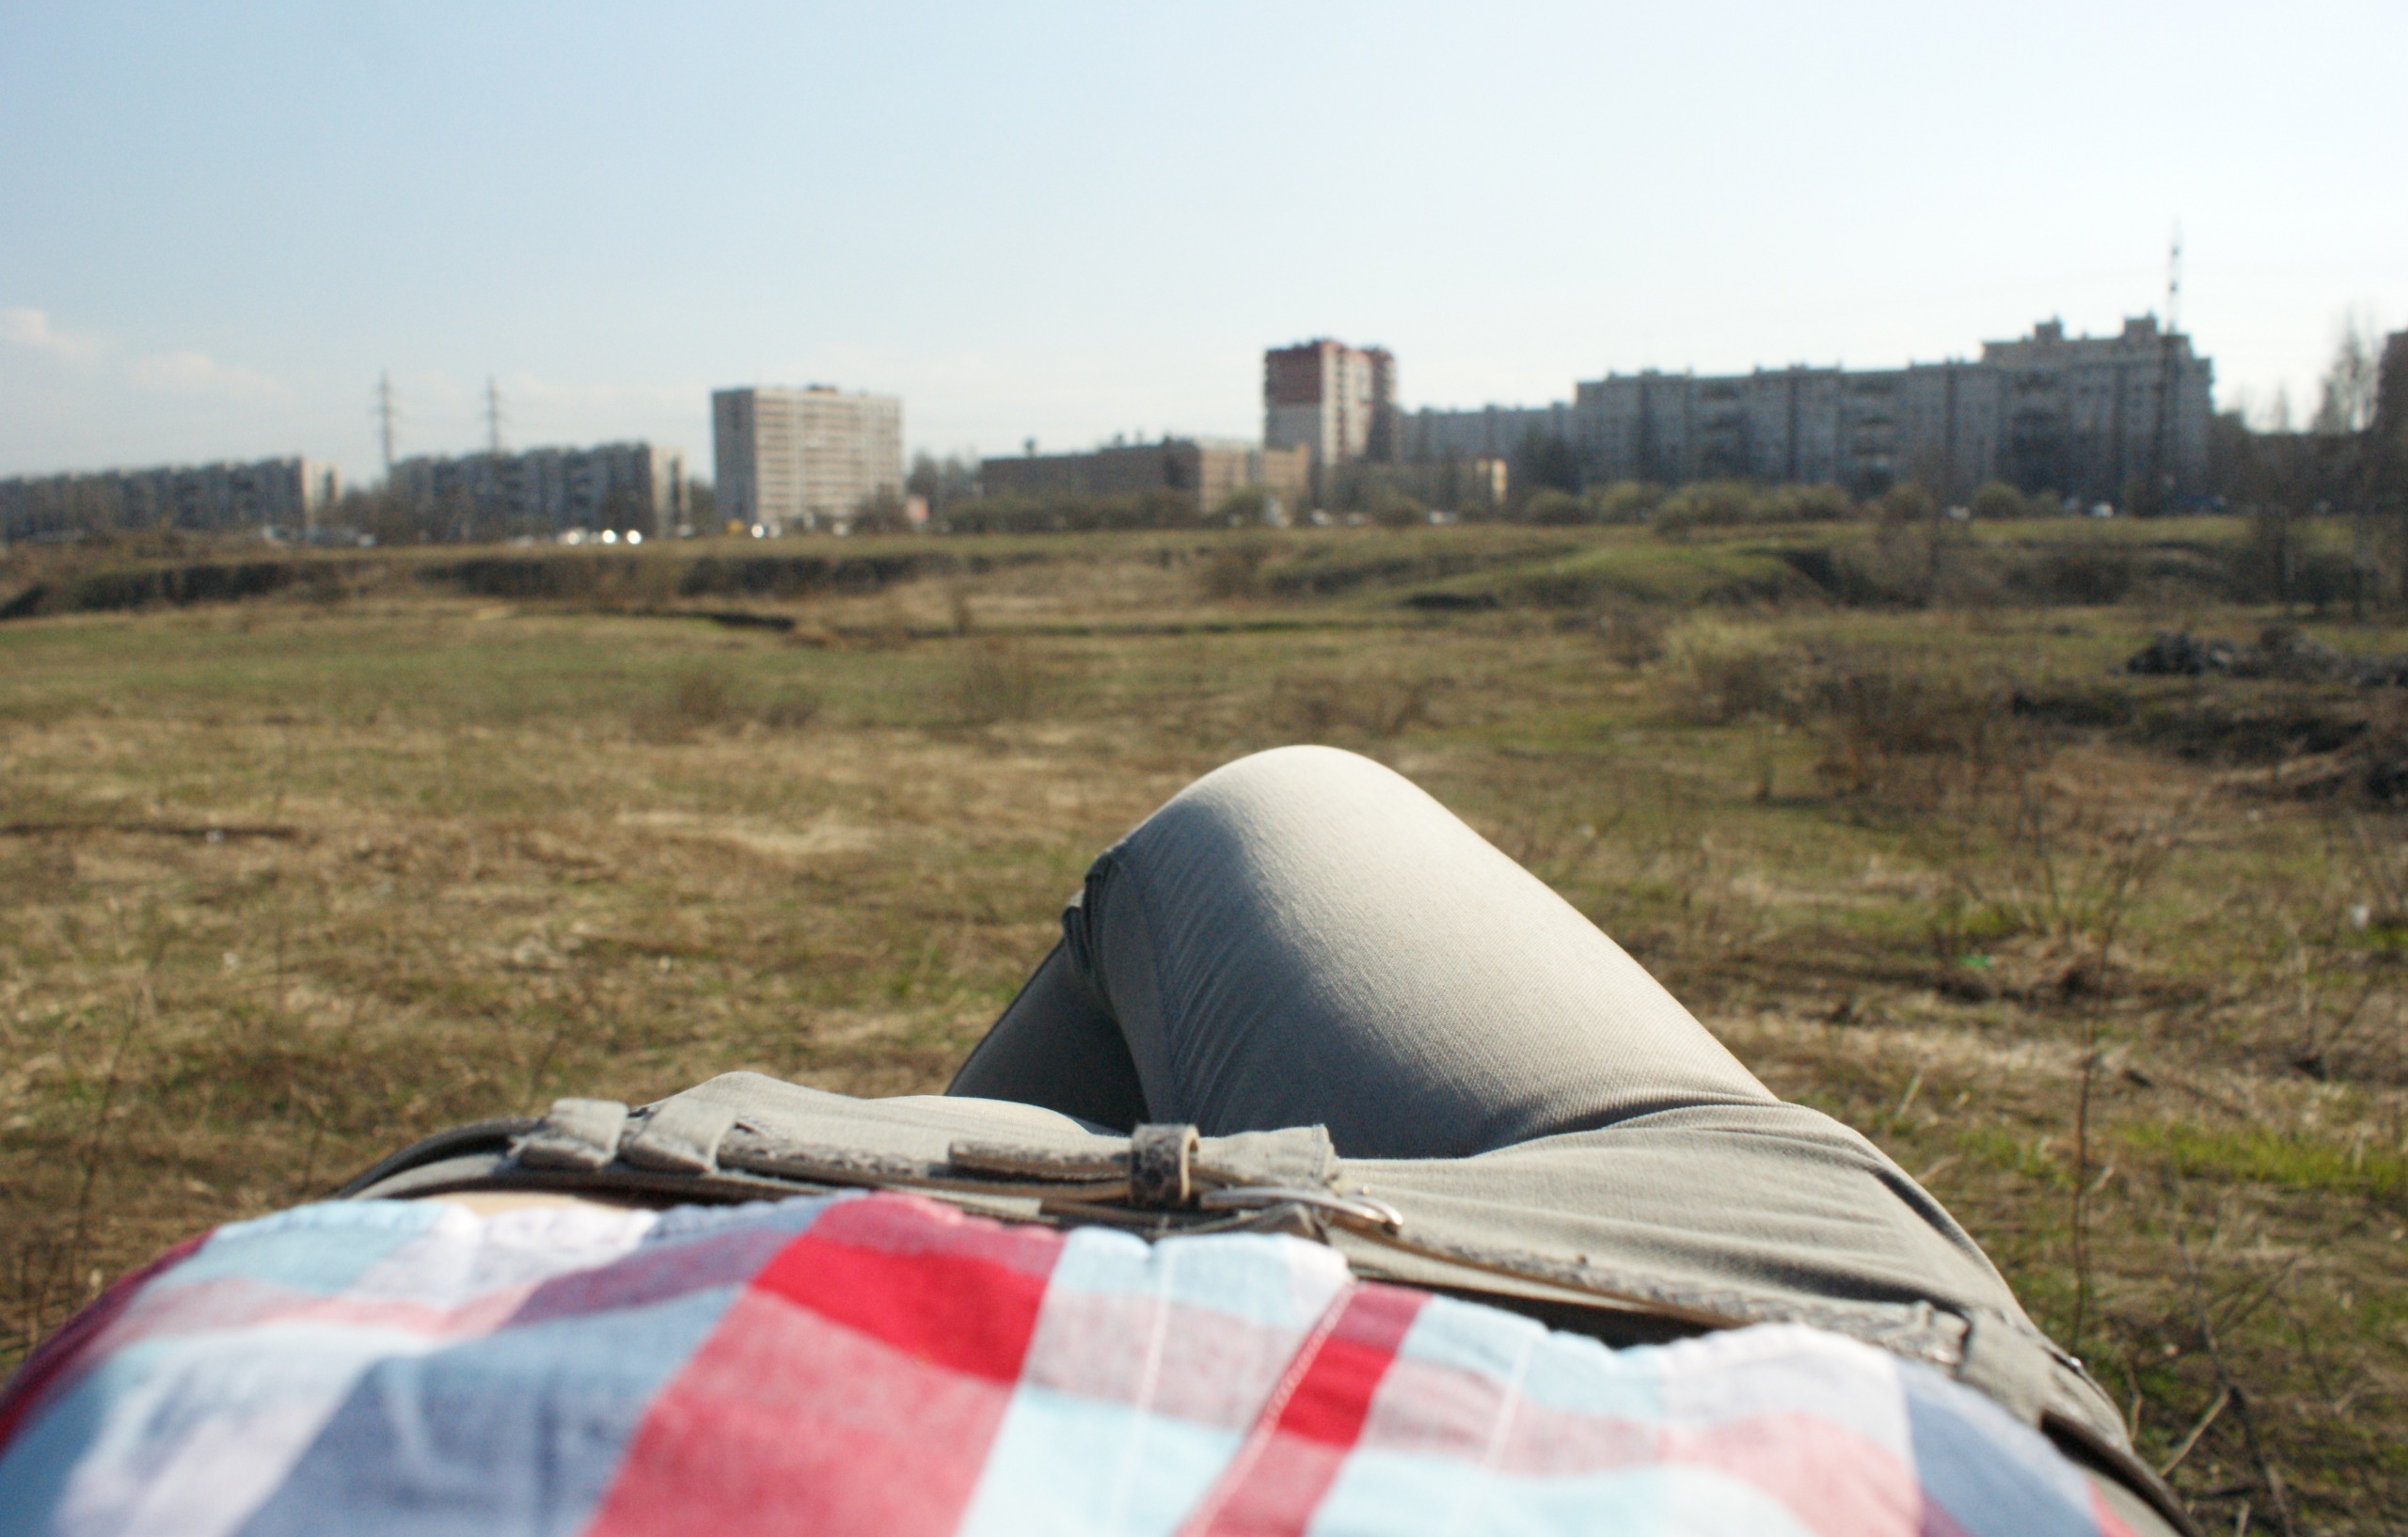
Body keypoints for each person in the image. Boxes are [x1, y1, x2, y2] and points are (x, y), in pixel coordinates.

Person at [0, 747, 2191, 1535]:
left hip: (625, 1232)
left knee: (1199, 889)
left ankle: (1076, 1197)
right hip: (1760, 1350)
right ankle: (1076, 1196)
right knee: (1249, 827)